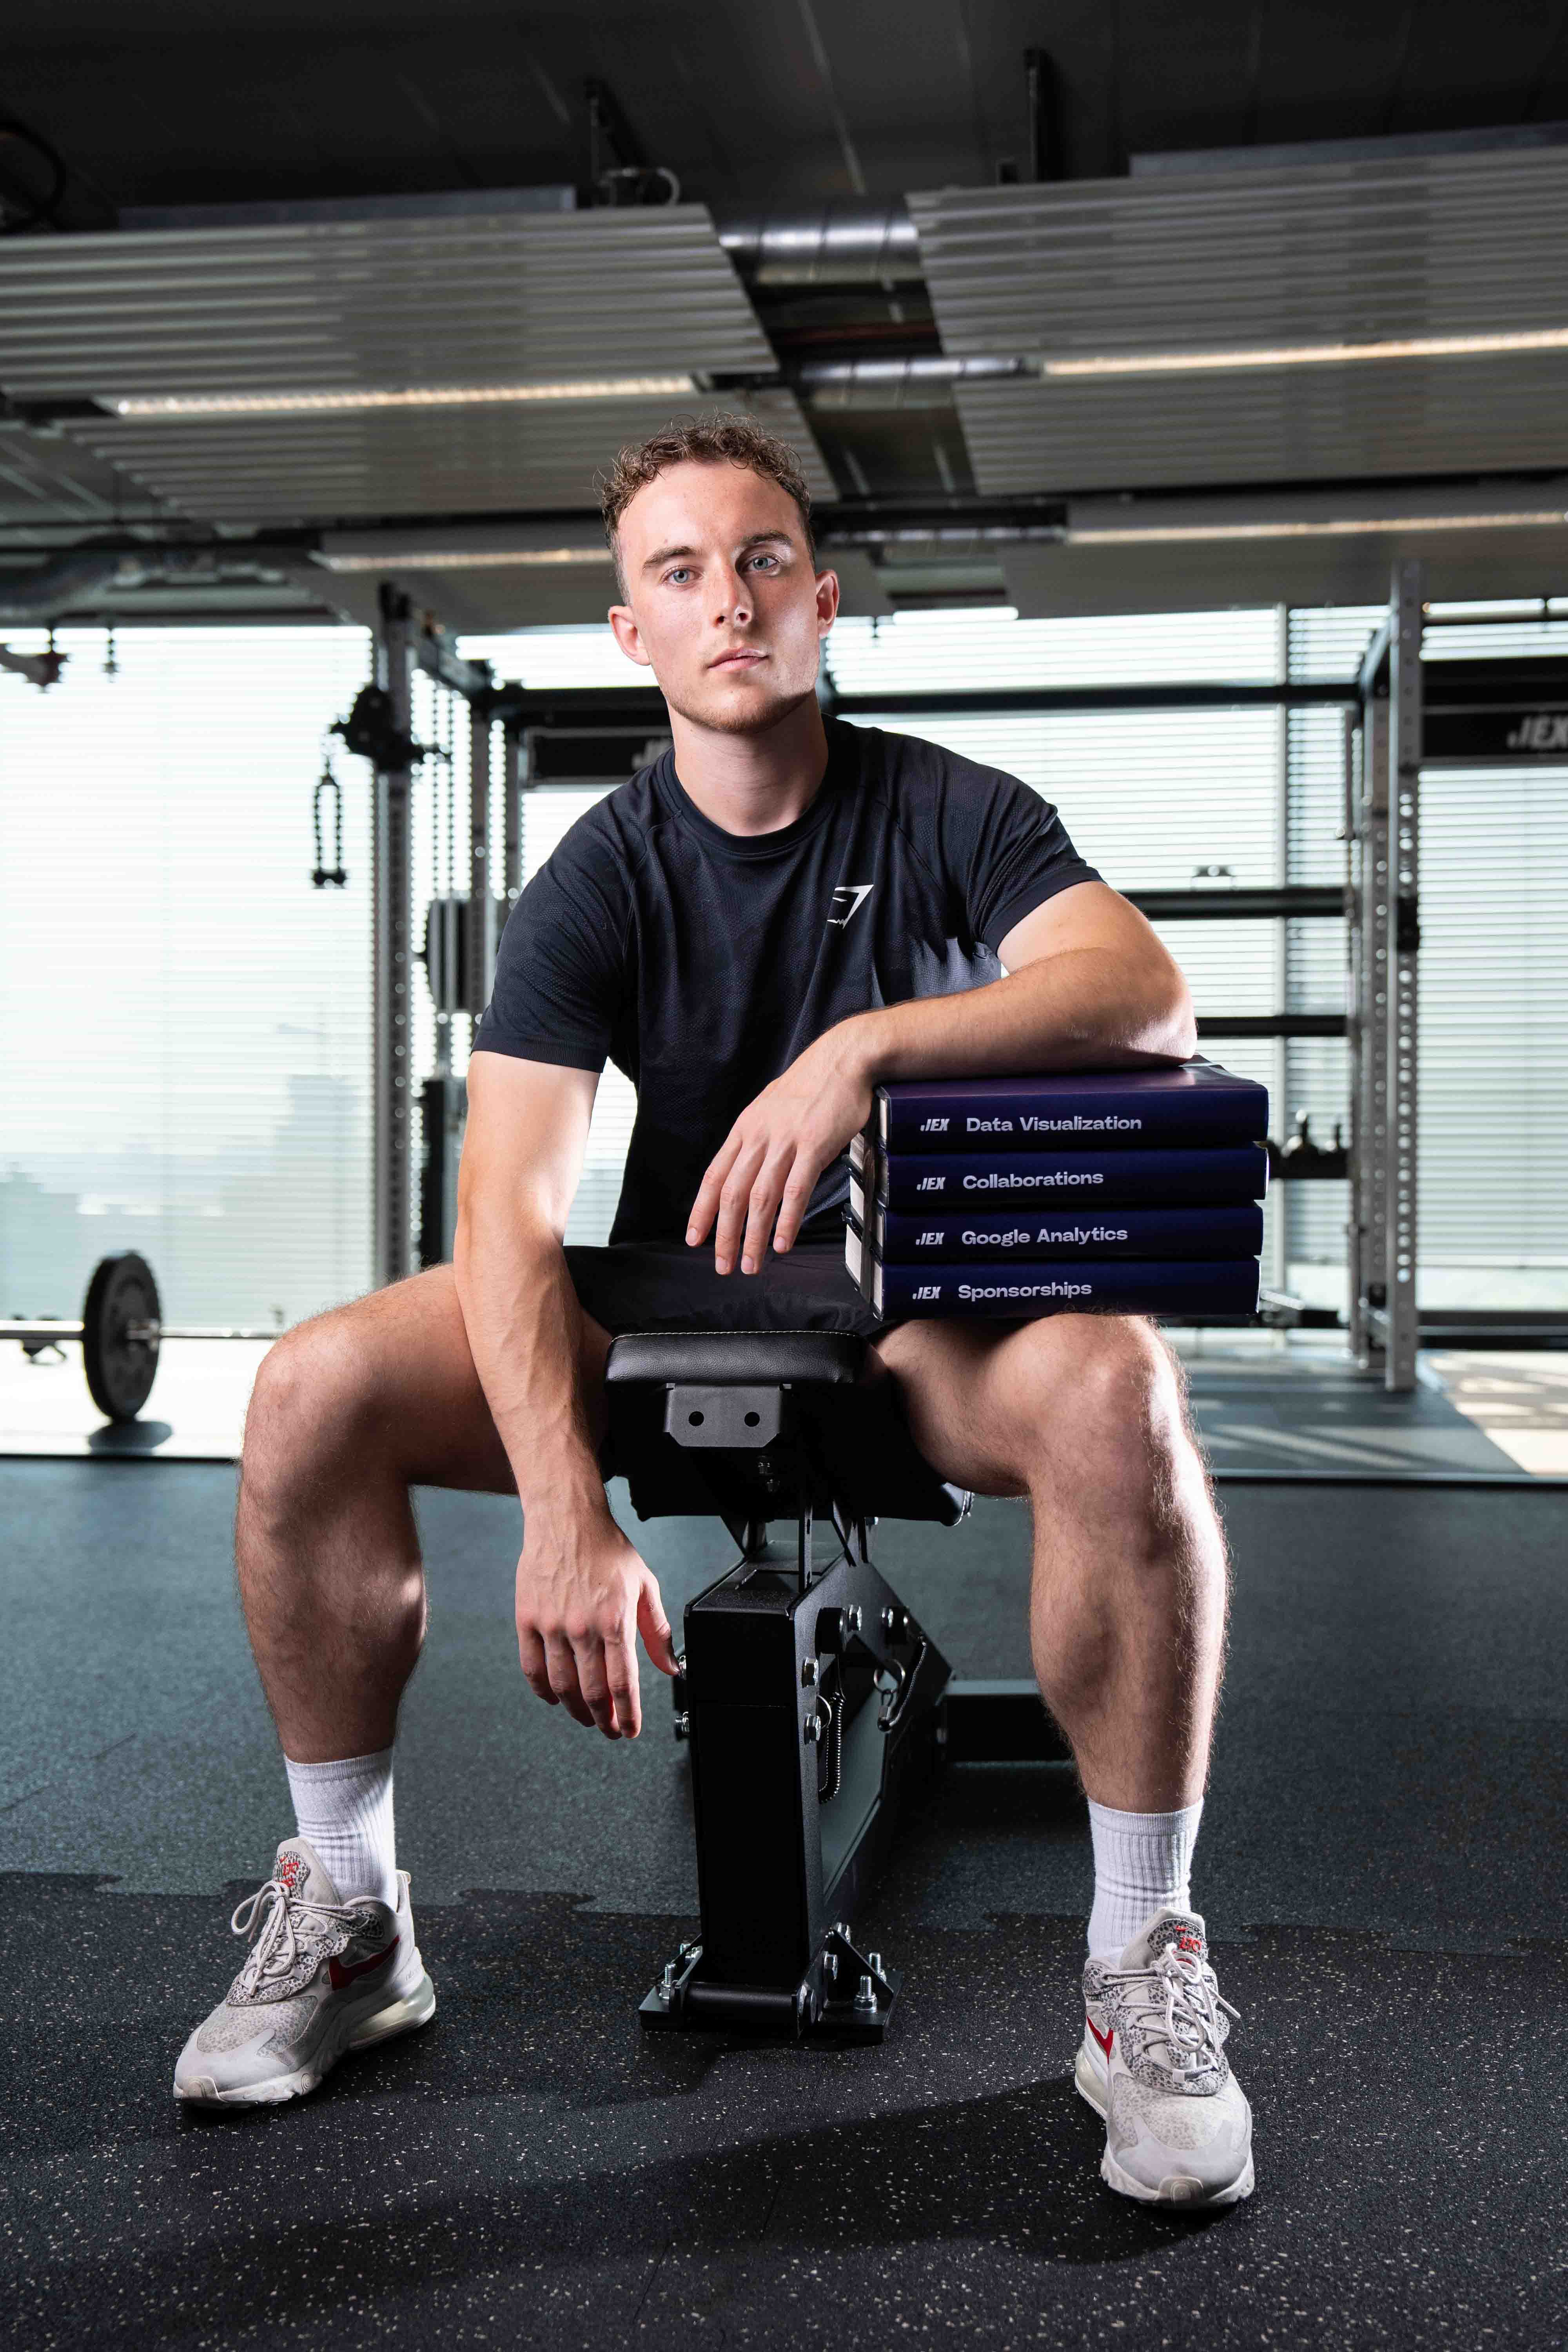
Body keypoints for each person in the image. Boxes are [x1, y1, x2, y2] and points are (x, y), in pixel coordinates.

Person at [174, 413, 1252, 2209]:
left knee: (1116, 1388)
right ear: (634, 632)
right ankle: (352, 1916)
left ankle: (1139, 1965)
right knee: (309, 1389)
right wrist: (563, 1511)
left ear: (820, 602)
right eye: (680, 572)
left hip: (909, 1310)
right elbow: (507, 1209)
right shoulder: (603, 868)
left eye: (761, 563)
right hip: (666, 1293)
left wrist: (866, 1048)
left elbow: (1143, 990)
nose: (728, 600)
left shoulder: (950, 811)